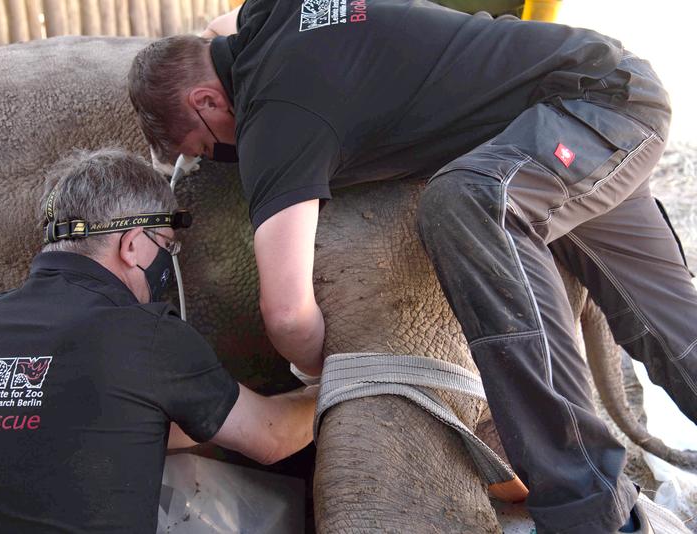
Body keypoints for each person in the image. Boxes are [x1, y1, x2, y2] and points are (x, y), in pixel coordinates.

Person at [127, 1, 697, 532]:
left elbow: (285, 314)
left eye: (204, 146)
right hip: (603, 96)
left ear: (206, 100)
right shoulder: (268, 14)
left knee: (470, 201)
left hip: (581, 116)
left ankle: (589, 508)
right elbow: (216, 28)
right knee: (673, 334)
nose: (217, 155)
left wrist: (317, 375)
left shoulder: (276, 120)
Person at [0, 148, 317, 533]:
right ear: (131, 244)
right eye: (166, 245)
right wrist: (331, 386)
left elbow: (79, 422)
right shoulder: (144, 334)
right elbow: (273, 438)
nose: (166, 259)